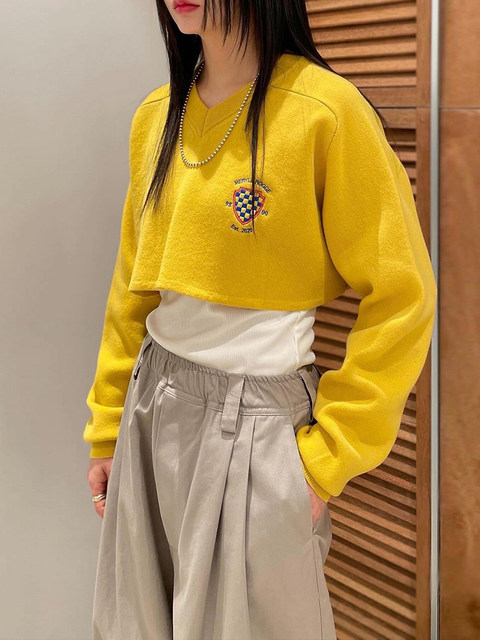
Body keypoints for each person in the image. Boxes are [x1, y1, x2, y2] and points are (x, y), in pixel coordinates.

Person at [84, 1, 437, 638]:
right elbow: (131, 292)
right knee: (137, 623)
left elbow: (403, 296)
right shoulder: (156, 116)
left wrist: (327, 458)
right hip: (150, 408)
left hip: (257, 427)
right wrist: (109, 427)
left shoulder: (325, 111)